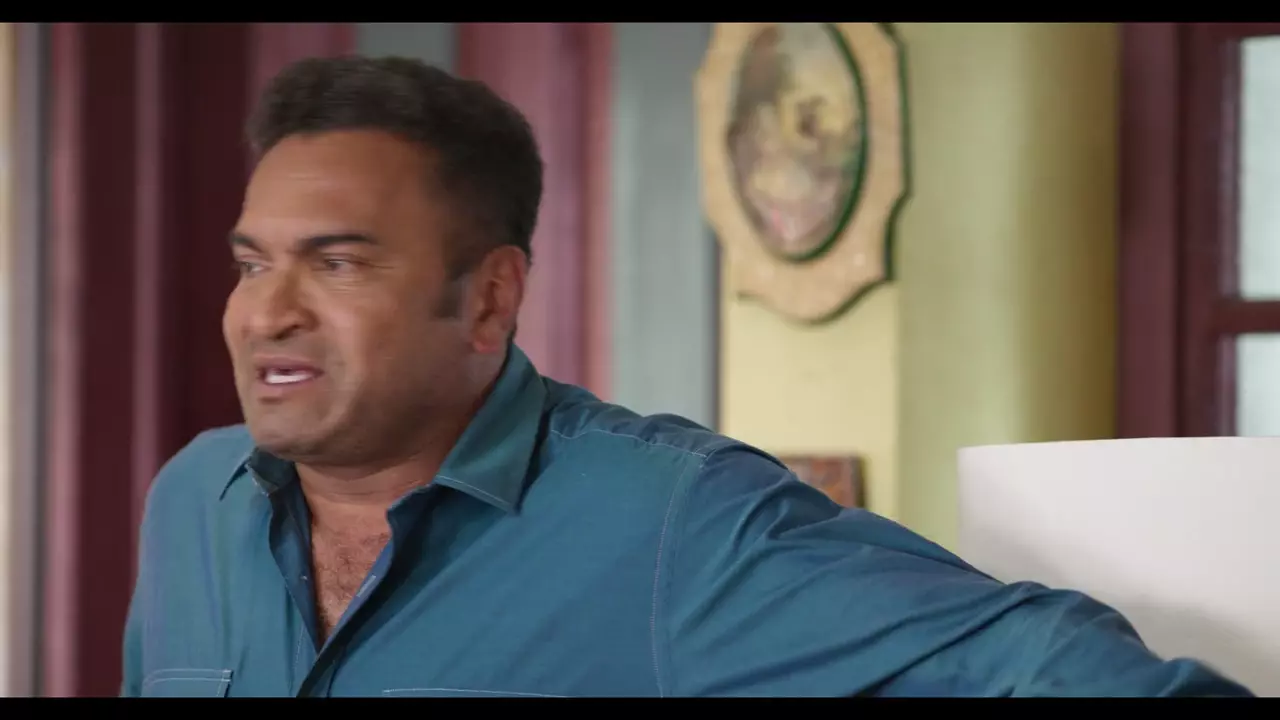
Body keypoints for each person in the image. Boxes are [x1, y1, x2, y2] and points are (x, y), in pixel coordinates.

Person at [119, 55, 1254, 698]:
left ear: (490, 299)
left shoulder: (674, 524)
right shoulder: (192, 503)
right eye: (253, 263)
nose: (266, 312)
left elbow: (1054, 673)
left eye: (339, 263)